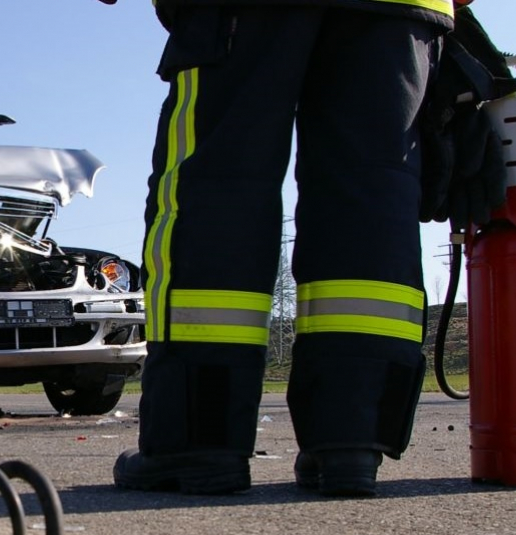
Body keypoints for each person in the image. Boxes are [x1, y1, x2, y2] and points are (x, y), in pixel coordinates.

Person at [110, 0, 467, 497]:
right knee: (373, 194)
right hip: (400, 10)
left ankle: (198, 443)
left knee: (217, 187)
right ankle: (350, 441)